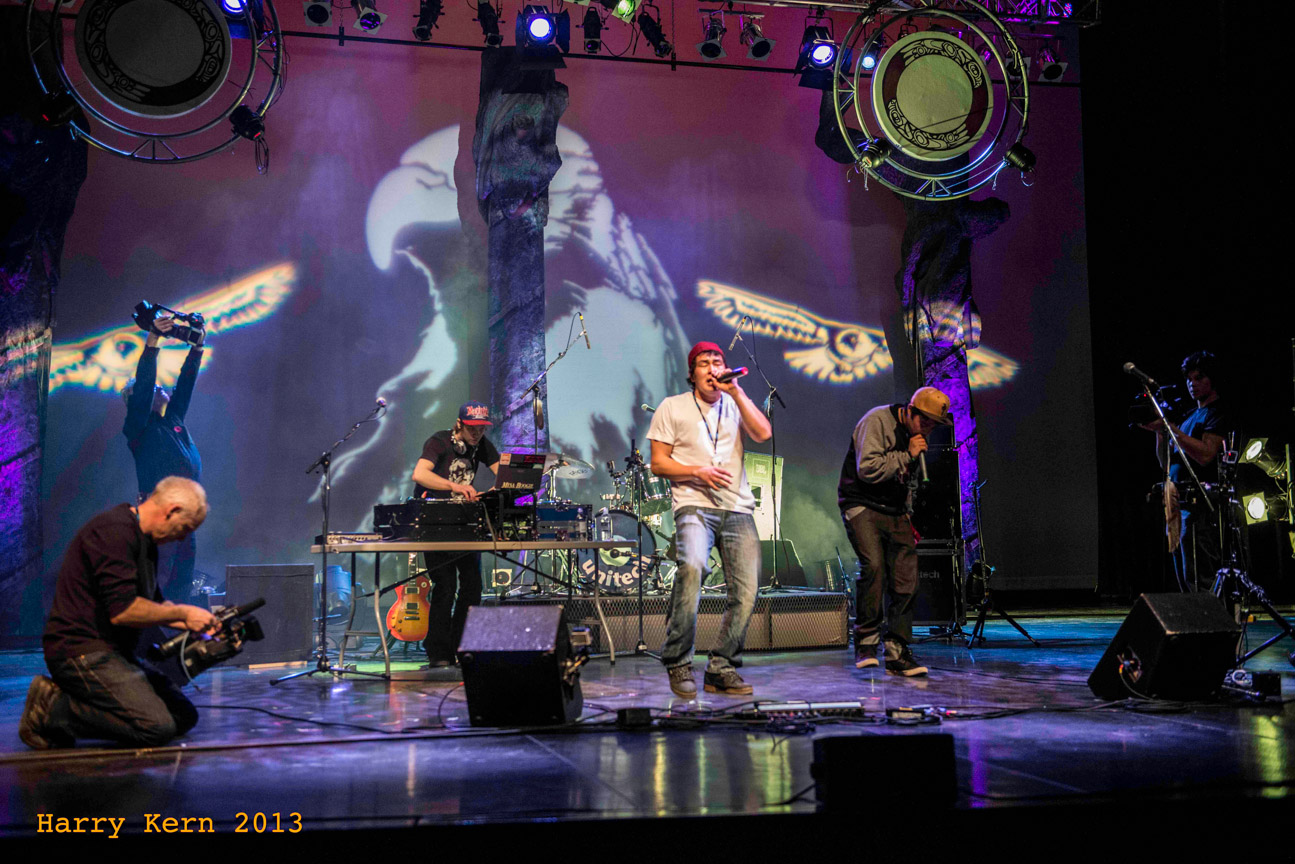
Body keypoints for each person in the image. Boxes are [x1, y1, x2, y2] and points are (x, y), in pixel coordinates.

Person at [19, 478, 218, 750]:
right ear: (171, 511)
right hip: (80, 652)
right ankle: (53, 709)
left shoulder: (145, 542)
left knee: (183, 716)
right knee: (157, 727)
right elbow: (123, 610)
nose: (183, 537)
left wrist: (195, 623)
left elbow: (154, 604)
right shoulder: (113, 532)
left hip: (113, 652)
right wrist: (184, 612)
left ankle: (76, 707)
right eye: (185, 528)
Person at [648, 341, 772, 699]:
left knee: (747, 591)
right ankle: (678, 661)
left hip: (737, 508)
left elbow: (763, 433)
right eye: (704, 363)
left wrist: (737, 391)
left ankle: (721, 667)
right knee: (693, 567)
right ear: (692, 374)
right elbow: (658, 463)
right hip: (694, 505)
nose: (713, 368)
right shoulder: (672, 406)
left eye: (718, 362)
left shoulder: (735, 403)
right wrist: (697, 472)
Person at [838, 386, 953, 677]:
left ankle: (896, 650)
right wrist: (907, 455)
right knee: (874, 566)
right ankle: (866, 643)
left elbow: (907, 481)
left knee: (906, 576)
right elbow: (868, 469)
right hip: (861, 502)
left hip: (895, 509)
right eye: (924, 421)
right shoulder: (877, 421)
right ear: (909, 410)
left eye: (933, 425)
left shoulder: (918, 437)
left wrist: (907, 515)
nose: (927, 428)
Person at [410, 401, 500, 666]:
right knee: (446, 586)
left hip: (465, 524)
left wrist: (498, 490)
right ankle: (438, 652)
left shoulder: (483, 445)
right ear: (459, 424)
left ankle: (463, 646)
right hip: (435, 524)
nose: (477, 434)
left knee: (473, 587)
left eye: (482, 429)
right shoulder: (439, 441)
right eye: (472, 429)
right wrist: (455, 486)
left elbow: (503, 474)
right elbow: (419, 474)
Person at [122, 313, 204, 602]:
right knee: (158, 582)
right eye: (153, 389)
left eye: (160, 387)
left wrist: (197, 349)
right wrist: (153, 342)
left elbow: (185, 386)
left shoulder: (173, 420)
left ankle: (174, 627)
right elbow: (145, 385)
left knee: (182, 582)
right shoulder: (139, 428)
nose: (160, 388)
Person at [1140, 350, 1233, 591]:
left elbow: (1206, 455)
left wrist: (1173, 431)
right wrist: (1160, 432)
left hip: (1199, 504)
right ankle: (1199, 614)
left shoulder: (1217, 412)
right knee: (1185, 578)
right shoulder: (1189, 416)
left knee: (1200, 575)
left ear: (1212, 379)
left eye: (1199, 377)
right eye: (1189, 379)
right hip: (1178, 503)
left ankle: (1211, 615)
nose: (1193, 384)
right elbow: (1165, 462)